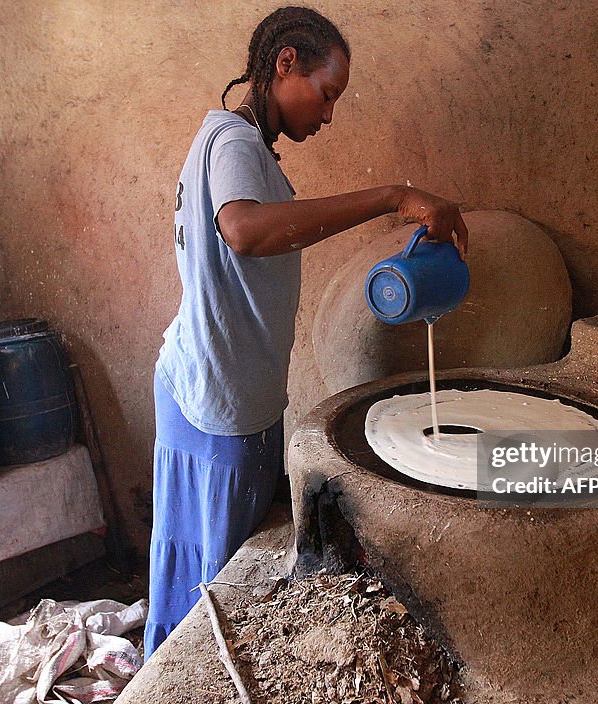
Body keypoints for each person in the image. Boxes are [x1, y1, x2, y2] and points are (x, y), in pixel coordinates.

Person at [145, 5, 468, 657]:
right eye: (326, 95)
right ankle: (177, 674)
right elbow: (245, 231)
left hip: (223, 384)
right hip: (217, 398)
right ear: (284, 63)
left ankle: (178, 665)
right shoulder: (233, 142)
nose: (327, 116)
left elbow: (260, 228)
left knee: (203, 560)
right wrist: (391, 197)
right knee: (212, 575)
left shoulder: (237, 145)